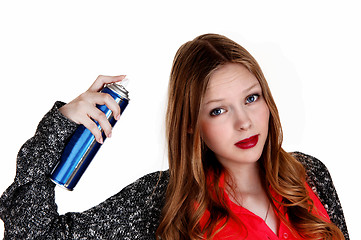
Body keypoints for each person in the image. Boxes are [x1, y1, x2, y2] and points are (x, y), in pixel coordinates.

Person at [0, 34, 348, 239]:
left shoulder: (309, 176)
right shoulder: (162, 203)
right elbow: (33, 235)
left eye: (251, 98)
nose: (244, 122)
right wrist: (58, 128)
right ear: (190, 125)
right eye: (218, 110)